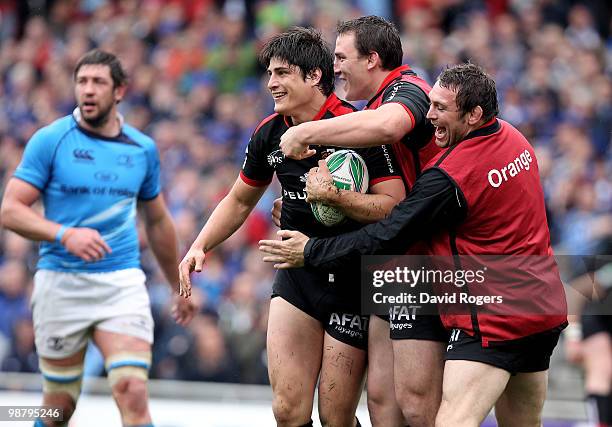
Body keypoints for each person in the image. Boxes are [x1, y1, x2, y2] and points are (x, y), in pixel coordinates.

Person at [259, 62, 569, 427]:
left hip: (496, 318)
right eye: (430, 103)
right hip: (543, 307)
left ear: (474, 114)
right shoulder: (515, 139)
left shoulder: (450, 176)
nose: (429, 115)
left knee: (452, 421)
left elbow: (387, 234)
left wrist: (310, 251)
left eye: (440, 109)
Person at [178, 27, 404, 427]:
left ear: (314, 76)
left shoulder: (359, 128)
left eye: (281, 73)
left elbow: (393, 207)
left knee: (336, 416)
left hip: (352, 281)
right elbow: (240, 198)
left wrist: (337, 199)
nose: (271, 83)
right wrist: (201, 245)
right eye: (269, 74)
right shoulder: (270, 132)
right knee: (287, 410)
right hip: (297, 275)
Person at [0, 49, 197, 427]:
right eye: (82, 81)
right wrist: (63, 234)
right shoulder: (51, 140)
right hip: (61, 282)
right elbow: (10, 209)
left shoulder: (142, 149)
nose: (88, 90)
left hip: (120, 282)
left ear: (120, 90)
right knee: (58, 407)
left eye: (98, 82)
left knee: (133, 392)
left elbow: (157, 222)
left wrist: (178, 286)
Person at [271, 15, 443, 427]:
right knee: (383, 403)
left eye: (341, 57)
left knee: (417, 405)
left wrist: (309, 132)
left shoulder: (410, 91)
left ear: (373, 60)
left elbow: (387, 128)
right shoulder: (376, 104)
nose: (335, 68)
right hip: (394, 259)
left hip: (430, 261)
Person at [565, 262, 612, 427]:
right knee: (603, 365)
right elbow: (575, 292)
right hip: (596, 323)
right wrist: (573, 338)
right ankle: (598, 423)